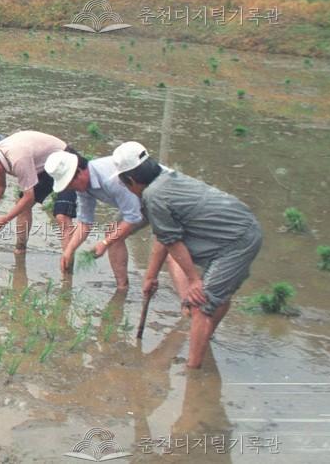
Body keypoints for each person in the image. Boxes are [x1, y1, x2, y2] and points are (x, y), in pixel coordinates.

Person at [112, 141, 262, 369]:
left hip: (234, 240)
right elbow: (165, 238)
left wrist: (193, 280)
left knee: (199, 303)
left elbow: (172, 241)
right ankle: (203, 337)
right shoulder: (166, 177)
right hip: (242, 229)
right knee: (217, 296)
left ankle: (193, 372)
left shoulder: (154, 196)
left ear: (131, 180)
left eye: (125, 184)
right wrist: (151, 276)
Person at [44, 150, 189, 296]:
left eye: (69, 183)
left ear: (80, 172)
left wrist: (105, 243)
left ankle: (188, 306)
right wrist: (69, 251)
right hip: (141, 202)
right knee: (112, 233)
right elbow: (85, 222)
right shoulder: (82, 187)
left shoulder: (112, 179)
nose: (69, 189)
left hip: (170, 198)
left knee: (173, 252)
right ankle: (122, 289)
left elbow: (133, 217)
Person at [0, 130, 78, 254]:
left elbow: (29, 197)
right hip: (44, 166)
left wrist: (5, 219)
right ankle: (20, 250)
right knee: (22, 205)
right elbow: (0, 186)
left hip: (66, 161)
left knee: (62, 216)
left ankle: (67, 264)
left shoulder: (18, 159)